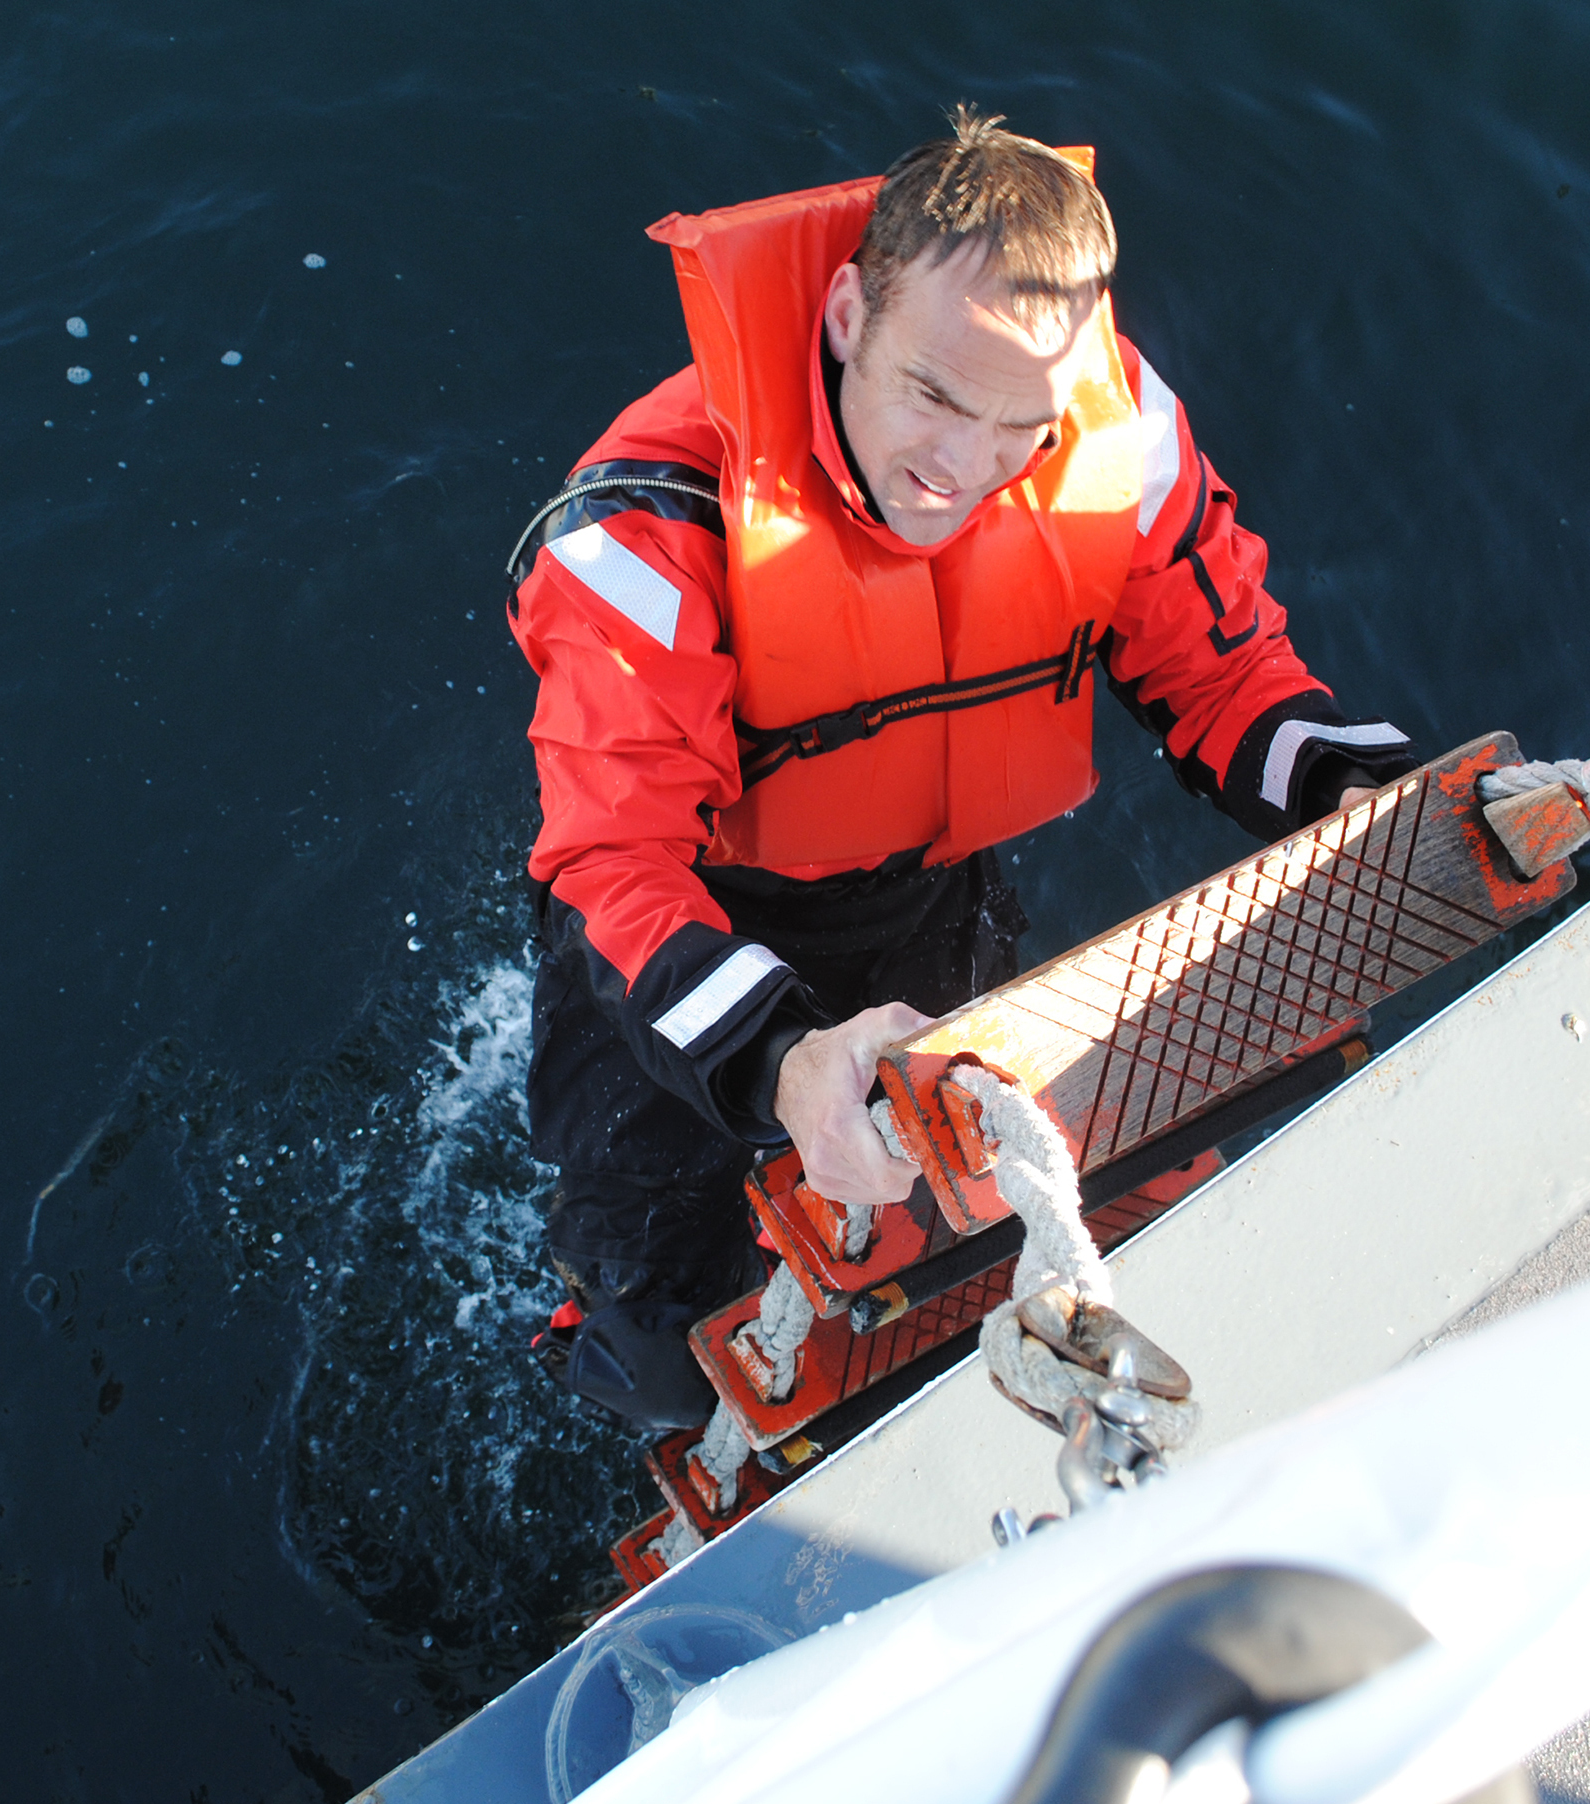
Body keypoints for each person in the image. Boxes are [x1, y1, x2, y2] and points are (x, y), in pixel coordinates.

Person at [507, 109, 1417, 1428]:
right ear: (842, 316)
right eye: (931, 392)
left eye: (1019, 427)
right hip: (686, 941)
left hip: (923, 902)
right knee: (658, 1330)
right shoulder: (648, 526)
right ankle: (611, 1372)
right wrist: (786, 1062)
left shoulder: (1114, 442)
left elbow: (1223, 673)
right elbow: (612, 862)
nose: (963, 471)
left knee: (959, 1241)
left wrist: (1347, 783)